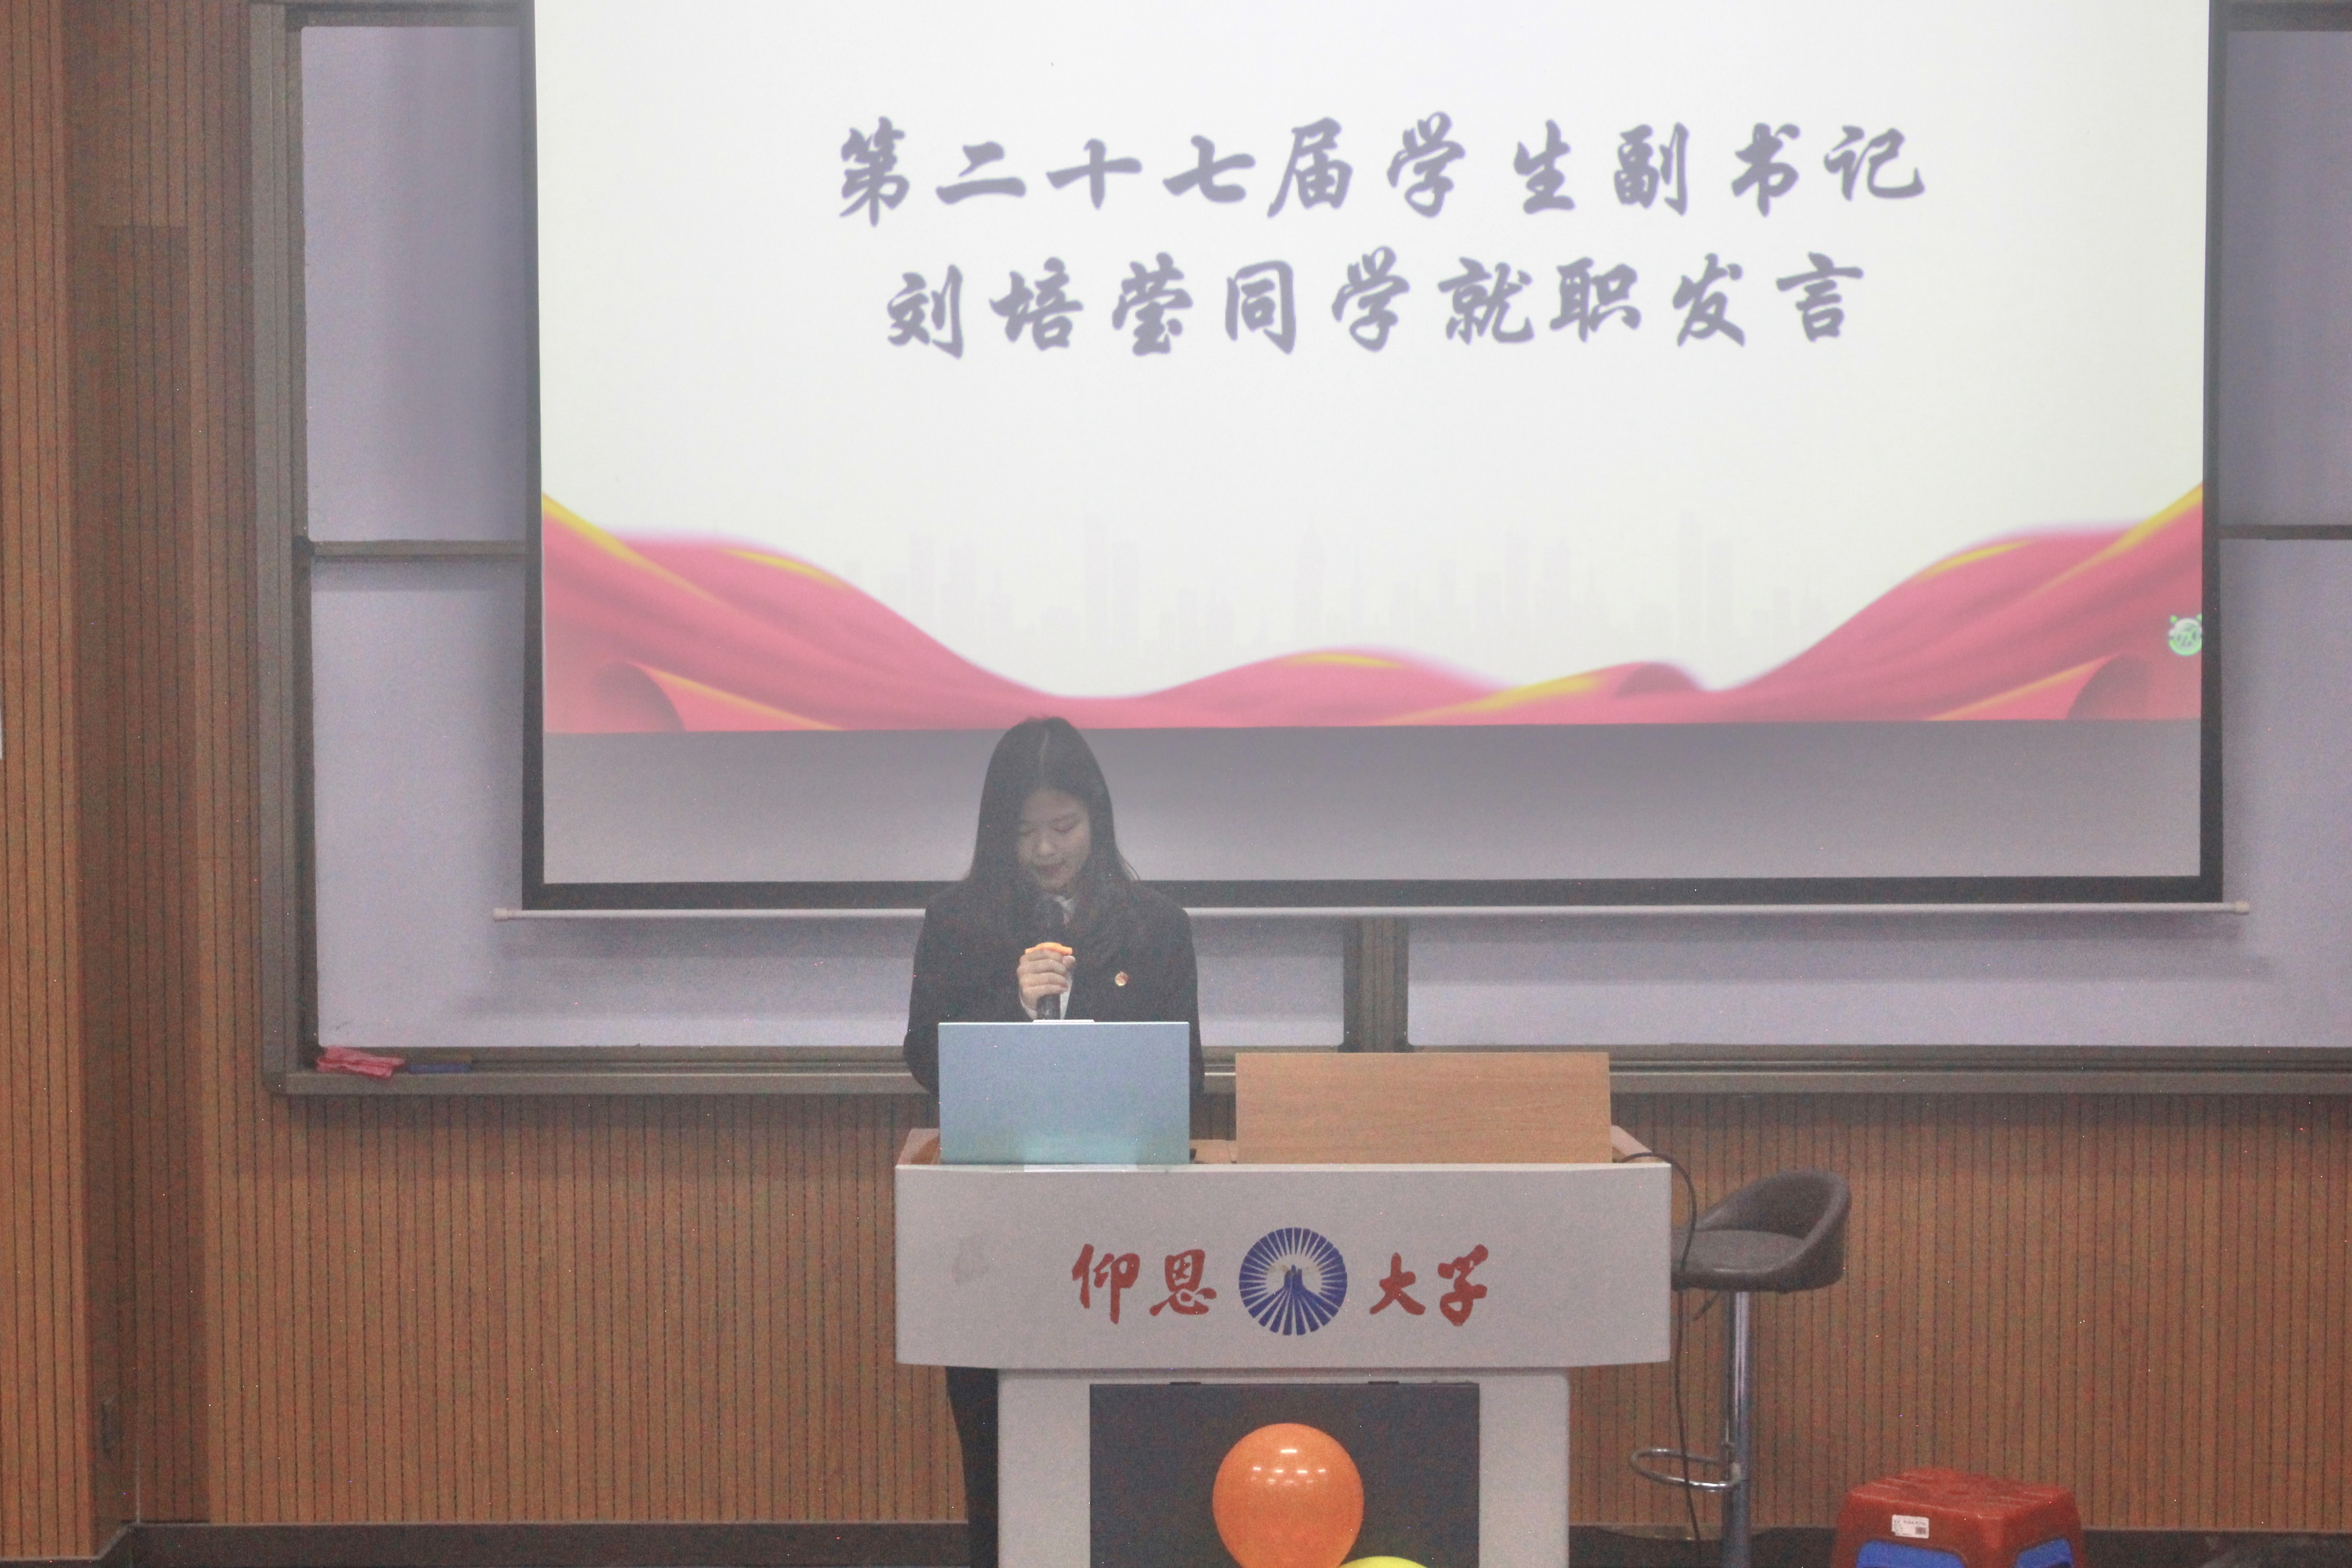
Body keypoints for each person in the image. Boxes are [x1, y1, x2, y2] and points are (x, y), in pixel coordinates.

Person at [902, 715, 1202, 1568]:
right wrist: (1009, 1002)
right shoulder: (957, 921)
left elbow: (1185, 1080)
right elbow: (924, 1058)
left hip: (1121, 1227)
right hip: (995, 1225)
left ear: (1096, 818)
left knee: (1124, 1446)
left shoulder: (1155, 925)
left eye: (1062, 827)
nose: (1043, 850)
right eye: (1023, 831)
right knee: (998, 1447)